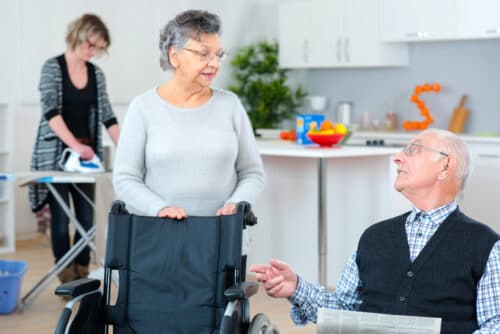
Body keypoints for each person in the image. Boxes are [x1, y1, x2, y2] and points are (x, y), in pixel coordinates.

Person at [250, 129, 500, 334]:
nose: (397, 158)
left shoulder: (486, 245)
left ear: (446, 166)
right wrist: (296, 288)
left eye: (413, 150)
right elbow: (344, 311)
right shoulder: (374, 237)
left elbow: (495, 324)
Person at [113, 10, 264, 219]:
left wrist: (236, 204)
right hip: (160, 236)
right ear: (174, 56)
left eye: (218, 54)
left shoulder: (231, 106)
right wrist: (159, 208)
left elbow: (252, 173)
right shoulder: (143, 108)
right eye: (203, 54)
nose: (215, 63)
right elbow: (125, 178)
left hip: (223, 236)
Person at [30, 14, 120, 283]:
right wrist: (75, 145)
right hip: (57, 156)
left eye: (98, 48)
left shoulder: (96, 74)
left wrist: (126, 150)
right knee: (60, 220)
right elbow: (50, 112)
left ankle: (81, 270)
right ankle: (66, 275)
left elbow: (107, 115)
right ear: (79, 36)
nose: (94, 52)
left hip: (85, 159)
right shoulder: (52, 68)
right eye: (91, 45)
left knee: (87, 218)